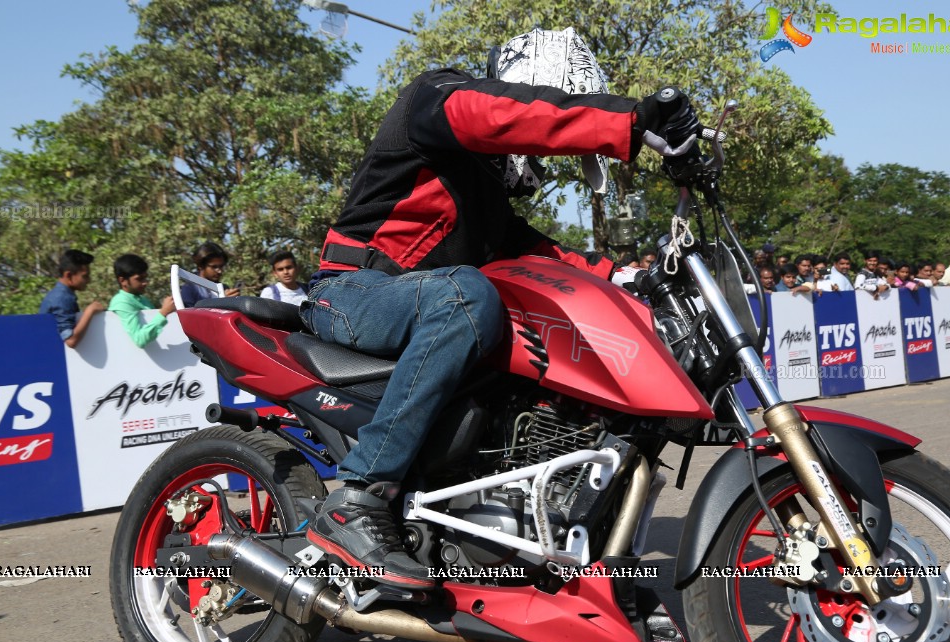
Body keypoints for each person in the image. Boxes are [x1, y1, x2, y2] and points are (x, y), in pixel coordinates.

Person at [299, 27, 700, 589]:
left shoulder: (486, 196)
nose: (542, 161)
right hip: (350, 293)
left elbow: (538, 256)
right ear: (529, 89)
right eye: (548, 109)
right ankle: (360, 495)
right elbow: (504, 115)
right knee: (468, 295)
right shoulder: (437, 99)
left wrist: (629, 281)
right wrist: (630, 121)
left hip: (418, 310)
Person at [39, 249, 107, 348]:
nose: (89, 280)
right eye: (85, 276)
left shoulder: (60, 294)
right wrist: (90, 311)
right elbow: (70, 340)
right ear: (69, 275)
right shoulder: (62, 298)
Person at [108, 254, 177, 348]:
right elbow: (139, 339)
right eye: (139, 279)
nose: (145, 282)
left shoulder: (142, 299)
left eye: (145, 277)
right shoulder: (121, 302)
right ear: (123, 280)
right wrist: (164, 312)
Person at [180, 242, 240, 307]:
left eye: (221, 266)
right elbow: (189, 315)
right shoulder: (189, 289)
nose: (219, 271)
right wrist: (221, 302)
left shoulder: (224, 288)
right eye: (214, 267)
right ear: (200, 266)